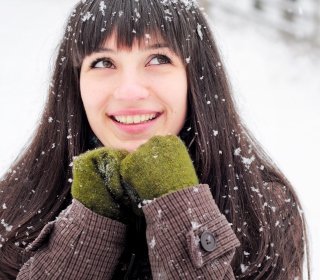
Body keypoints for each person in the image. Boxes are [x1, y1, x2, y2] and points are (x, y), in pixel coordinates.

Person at [0, 0, 309, 279]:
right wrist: (88, 226)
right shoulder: (15, 206)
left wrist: (180, 208)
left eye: (158, 59)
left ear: (197, 78)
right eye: (104, 63)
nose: (130, 91)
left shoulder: (264, 209)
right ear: (74, 84)